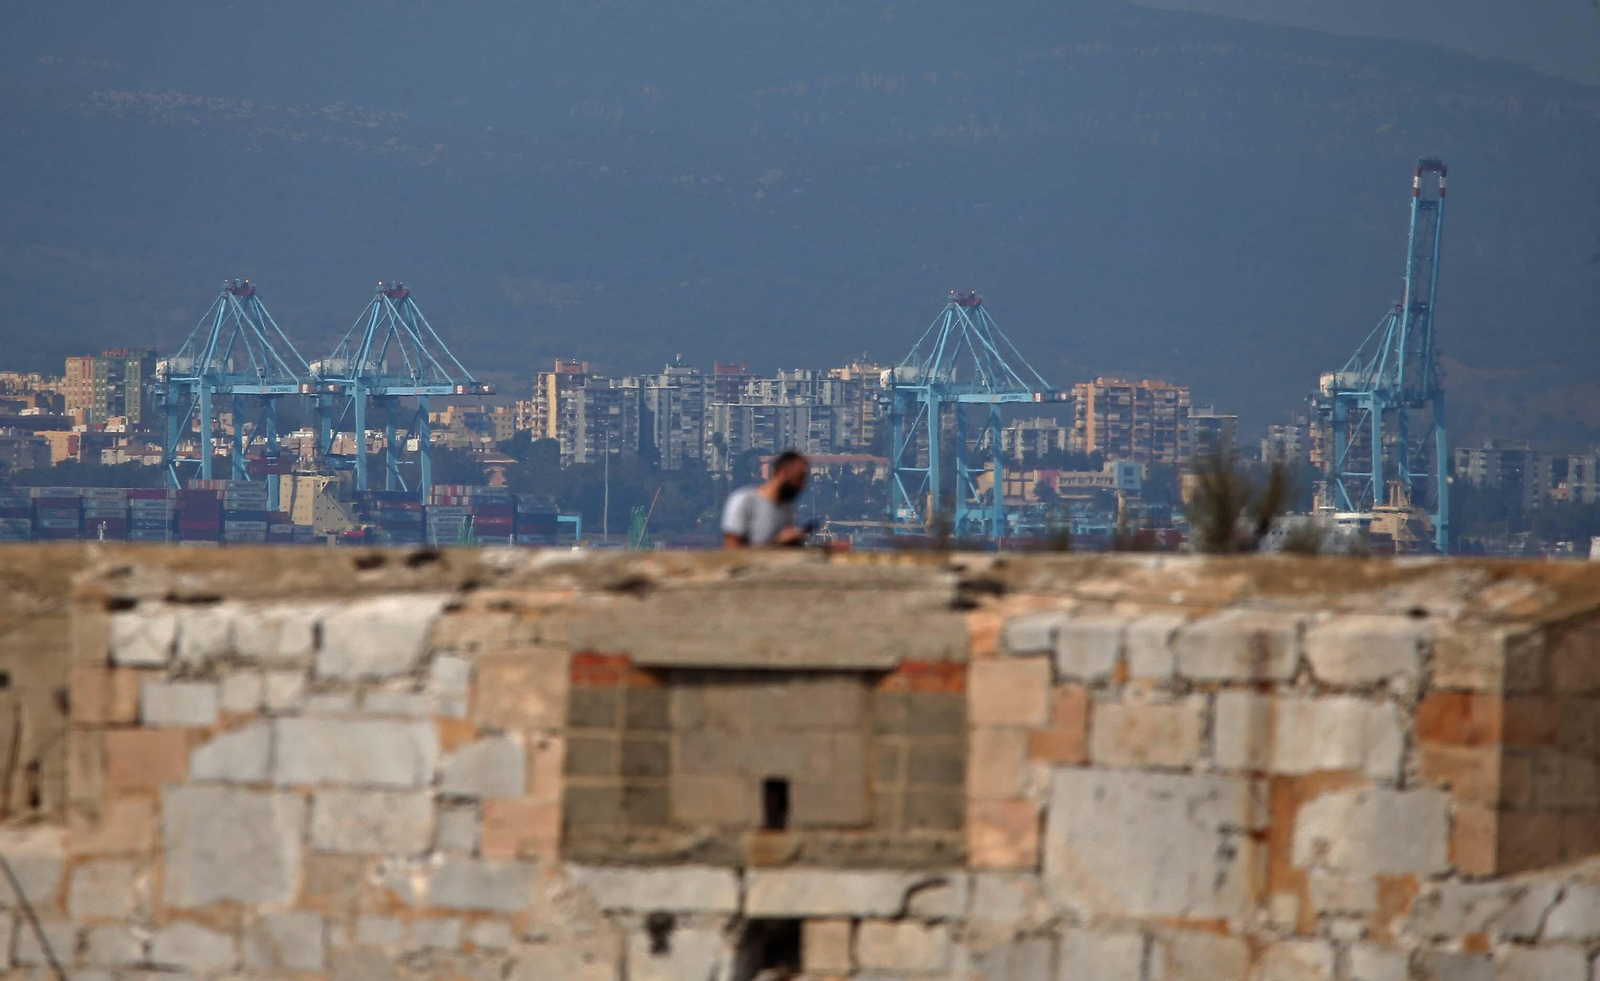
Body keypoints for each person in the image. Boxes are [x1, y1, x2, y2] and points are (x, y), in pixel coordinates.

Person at [722, 450, 810, 548]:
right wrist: (777, 543)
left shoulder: (786, 508)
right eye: (799, 477)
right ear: (782, 472)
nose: (803, 485)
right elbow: (732, 551)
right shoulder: (743, 501)